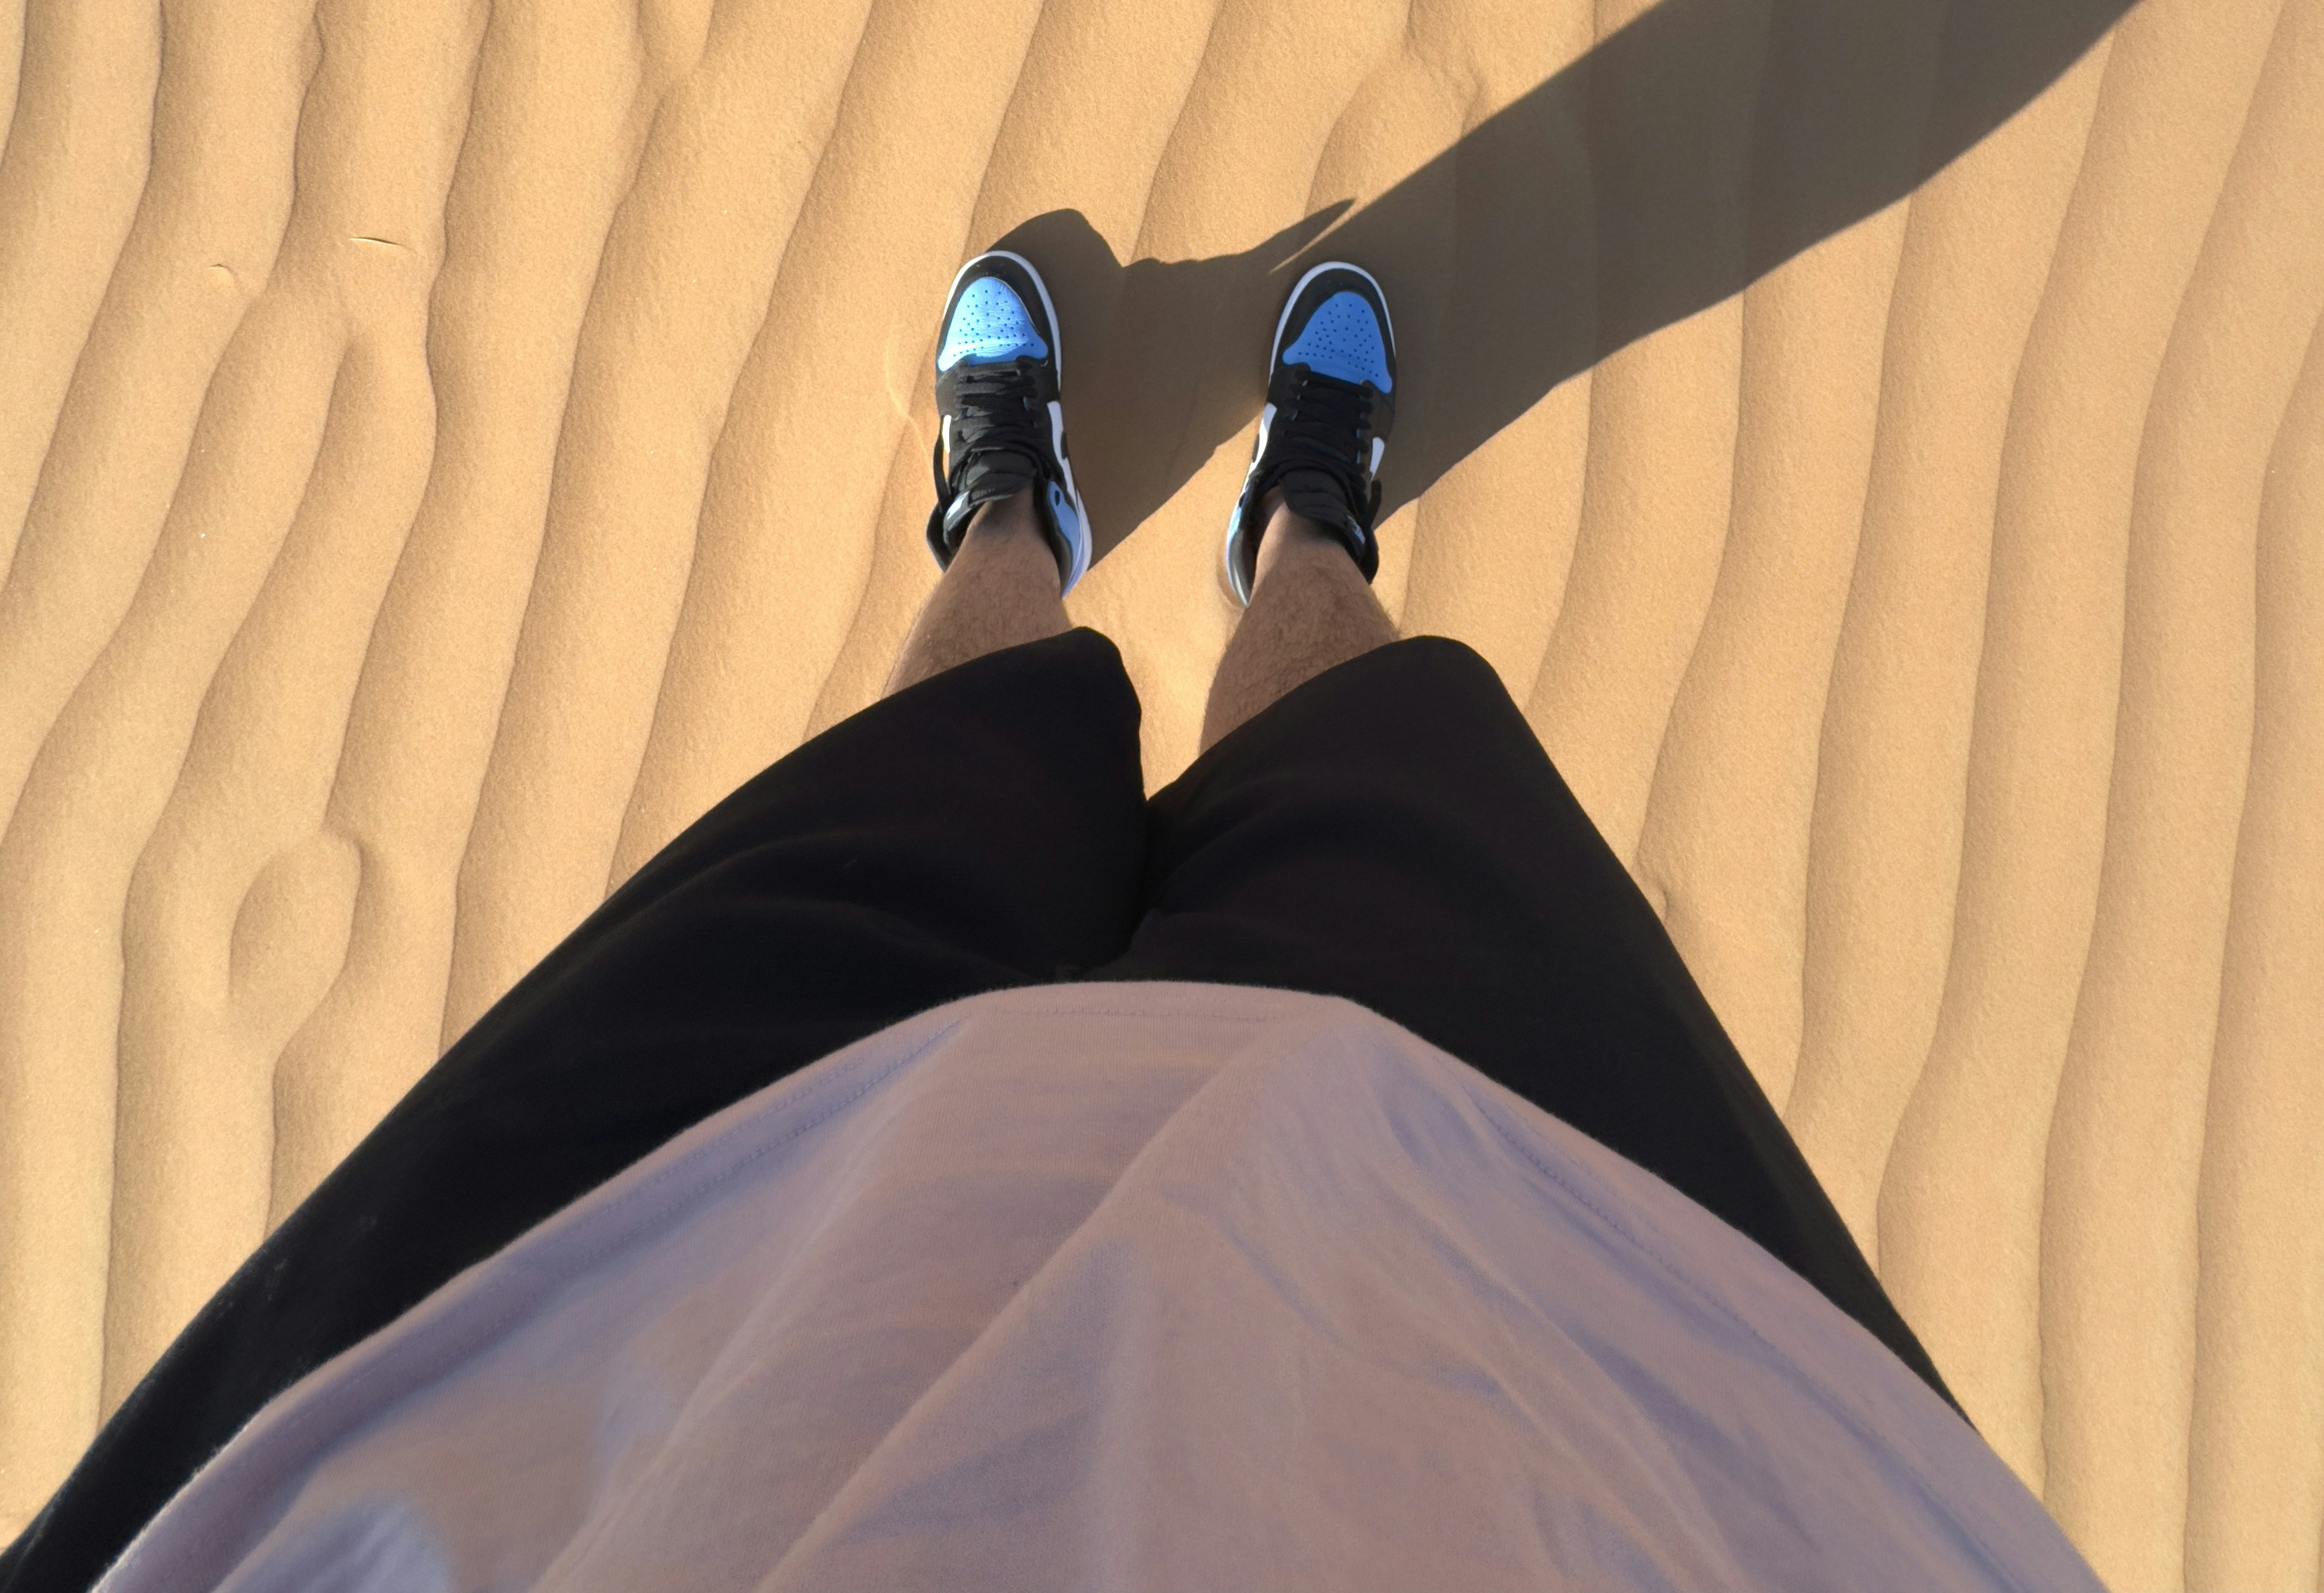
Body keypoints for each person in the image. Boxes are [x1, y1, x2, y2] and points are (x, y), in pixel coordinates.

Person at [2, 254, 2098, 1591]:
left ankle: (1010, 518)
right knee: (1375, 769)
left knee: (953, 779)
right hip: (1603, 1342)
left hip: (597, 1328)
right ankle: (1307, 533)